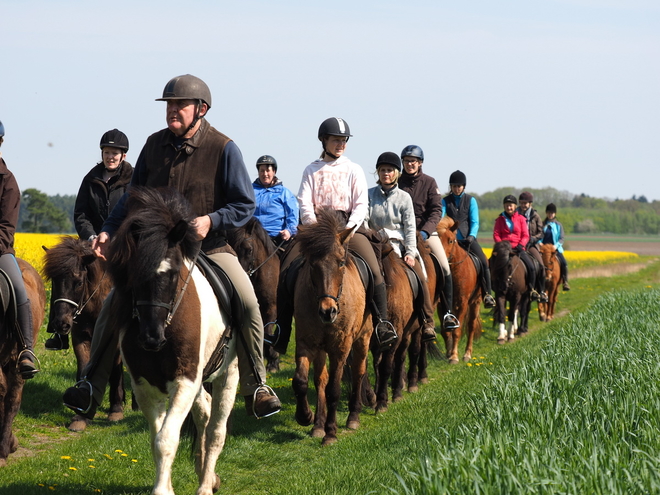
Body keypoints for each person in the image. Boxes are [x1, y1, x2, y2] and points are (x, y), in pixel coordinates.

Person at [62, 74, 281, 420]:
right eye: (169, 105)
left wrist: (210, 220)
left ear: (201, 109)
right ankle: (91, 385)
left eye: (180, 104)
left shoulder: (224, 148)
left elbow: (244, 205)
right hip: (157, 252)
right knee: (112, 306)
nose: (172, 110)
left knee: (249, 302)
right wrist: (107, 229)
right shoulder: (152, 146)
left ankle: (258, 384)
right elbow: (130, 198)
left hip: (211, 248)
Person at [267, 117, 397, 353]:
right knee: (286, 269)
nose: (341, 144)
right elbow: (304, 203)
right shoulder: (311, 169)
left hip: (347, 228)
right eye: (336, 139)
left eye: (344, 140)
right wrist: (315, 229)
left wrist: (349, 229)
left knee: (374, 269)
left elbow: (360, 204)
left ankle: (383, 324)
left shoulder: (354, 169)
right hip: (316, 231)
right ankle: (282, 330)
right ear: (324, 140)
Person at [45, 129, 134, 351]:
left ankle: (139, 327)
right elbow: (81, 214)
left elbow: (135, 213)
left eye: (115, 153)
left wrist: (117, 237)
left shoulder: (133, 180)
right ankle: (58, 330)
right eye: (106, 152)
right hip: (92, 242)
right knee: (64, 272)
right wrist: (92, 237)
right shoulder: (91, 178)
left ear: (123, 155)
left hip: (122, 244)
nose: (110, 157)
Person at [364, 152, 437, 341]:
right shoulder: (369, 194)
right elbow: (364, 220)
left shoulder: (404, 198)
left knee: (420, 276)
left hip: (399, 244)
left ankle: (428, 322)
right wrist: (371, 235)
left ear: (396, 173)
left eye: (389, 170)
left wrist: (411, 253)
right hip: (374, 244)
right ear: (377, 173)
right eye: (382, 170)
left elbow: (410, 227)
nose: (385, 173)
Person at [398, 145, 459, 334]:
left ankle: (448, 313)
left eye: (413, 161)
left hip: (425, 233)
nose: (410, 164)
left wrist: (425, 231)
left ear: (420, 163)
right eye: (407, 161)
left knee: (444, 266)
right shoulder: (397, 182)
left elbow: (436, 211)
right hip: (400, 233)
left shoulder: (430, 182)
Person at [0, 120, 38, 379]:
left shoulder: (8, 182)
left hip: (0, 250)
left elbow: (5, 227)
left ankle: (26, 348)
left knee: (17, 285)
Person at [441, 170, 496, 308]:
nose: (456, 188)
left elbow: (475, 221)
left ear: (464, 186)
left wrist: (472, 236)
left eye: (459, 186)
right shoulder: (445, 201)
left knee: (483, 261)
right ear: (451, 187)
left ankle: (487, 294)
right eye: (454, 186)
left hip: (468, 240)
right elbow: (440, 219)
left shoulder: (471, 200)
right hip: (450, 241)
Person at [493, 195, 540, 300]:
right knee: (489, 265)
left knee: (531, 267)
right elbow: (496, 234)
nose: (508, 208)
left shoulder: (521, 219)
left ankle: (532, 289)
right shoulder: (500, 219)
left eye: (510, 205)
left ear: (515, 206)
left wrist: (521, 245)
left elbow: (525, 235)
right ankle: (490, 291)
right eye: (506, 206)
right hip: (503, 250)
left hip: (518, 249)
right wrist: (501, 246)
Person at [252, 154, 299, 253]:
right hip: (253, 237)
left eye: (268, 170)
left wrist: (289, 231)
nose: (265, 174)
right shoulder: (249, 191)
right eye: (262, 170)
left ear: (274, 171)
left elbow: (292, 215)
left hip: (277, 238)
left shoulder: (284, 192)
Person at [517, 192, 548, 303]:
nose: (523, 205)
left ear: (530, 203)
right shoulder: (515, 213)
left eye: (525, 203)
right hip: (517, 244)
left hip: (530, 245)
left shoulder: (535, 216)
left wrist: (532, 239)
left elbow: (541, 233)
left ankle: (542, 291)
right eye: (521, 203)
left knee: (540, 265)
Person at [541, 203, 570, 291]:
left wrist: (555, 246)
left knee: (564, 263)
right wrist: (540, 243)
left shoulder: (558, 225)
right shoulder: (542, 224)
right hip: (543, 250)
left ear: (555, 214)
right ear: (546, 213)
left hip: (555, 249)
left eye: (552, 213)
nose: (550, 214)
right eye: (549, 212)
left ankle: (565, 281)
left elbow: (561, 238)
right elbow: (539, 236)